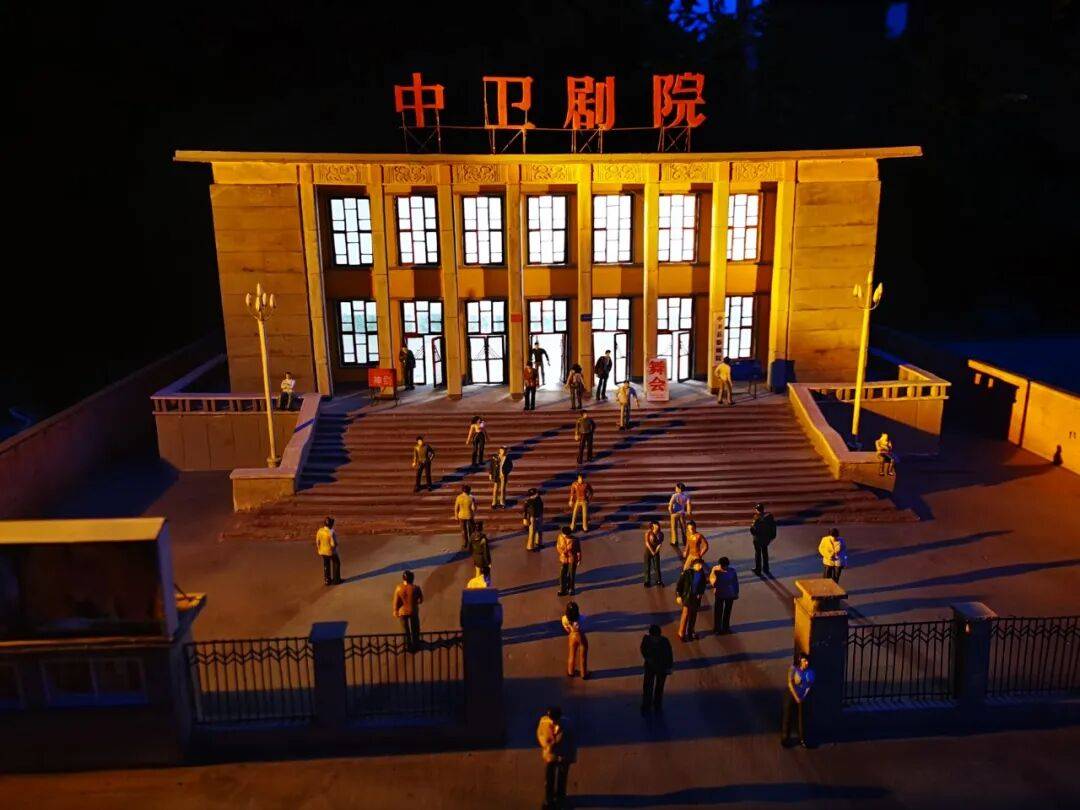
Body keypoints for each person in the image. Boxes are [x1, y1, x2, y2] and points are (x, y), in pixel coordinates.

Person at [537, 706, 575, 809]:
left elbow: (571, 742)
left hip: (564, 754)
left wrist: (570, 756)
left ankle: (560, 797)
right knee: (549, 777)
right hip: (550, 754)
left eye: (555, 719)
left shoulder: (567, 724)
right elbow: (540, 734)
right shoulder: (544, 721)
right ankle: (549, 798)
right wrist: (547, 745)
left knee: (562, 777)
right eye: (552, 719)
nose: (553, 721)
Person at [781, 653, 815, 748]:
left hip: (802, 695)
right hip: (792, 693)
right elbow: (790, 684)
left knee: (802, 717)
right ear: (800, 661)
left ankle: (803, 738)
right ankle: (785, 737)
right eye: (804, 661)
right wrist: (796, 697)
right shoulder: (793, 669)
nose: (806, 663)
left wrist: (803, 696)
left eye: (807, 661)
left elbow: (808, 686)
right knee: (788, 713)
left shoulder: (810, 672)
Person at [640, 624, 674, 713]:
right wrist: (647, 658)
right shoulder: (647, 640)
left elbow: (669, 655)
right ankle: (646, 704)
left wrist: (669, 667)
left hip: (662, 668)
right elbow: (643, 650)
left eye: (656, 637)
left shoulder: (664, 642)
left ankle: (657, 704)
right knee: (647, 686)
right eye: (653, 637)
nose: (655, 639)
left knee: (659, 687)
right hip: (650, 667)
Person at [675, 558, 708, 642]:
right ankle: (681, 633)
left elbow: (703, 584)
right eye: (698, 565)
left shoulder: (702, 574)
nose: (700, 566)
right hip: (687, 597)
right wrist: (678, 596)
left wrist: (701, 593)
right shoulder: (687, 573)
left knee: (693, 615)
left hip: (696, 598)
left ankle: (690, 632)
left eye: (701, 565)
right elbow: (679, 585)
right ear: (694, 565)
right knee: (685, 615)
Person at [392, 570, 423, 652]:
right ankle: (416, 644)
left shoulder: (399, 588)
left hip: (402, 612)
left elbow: (395, 601)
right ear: (412, 578)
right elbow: (421, 600)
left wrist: (395, 610)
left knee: (405, 630)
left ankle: (407, 646)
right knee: (415, 628)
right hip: (413, 611)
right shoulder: (416, 588)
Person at [709, 556, 739, 634]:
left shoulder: (732, 571)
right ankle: (717, 628)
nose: (723, 567)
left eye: (724, 566)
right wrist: (715, 583)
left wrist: (736, 592)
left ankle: (726, 627)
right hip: (720, 593)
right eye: (722, 566)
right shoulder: (716, 570)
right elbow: (712, 579)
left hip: (729, 594)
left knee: (727, 611)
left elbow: (735, 582)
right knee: (718, 611)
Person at [562, 601, 589, 679]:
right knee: (583, 656)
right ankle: (584, 674)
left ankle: (571, 671)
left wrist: (571, 632)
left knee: (572, 654)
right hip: (580, 636)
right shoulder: (582, 618)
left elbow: (567, 629)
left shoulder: (564, 619)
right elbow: (585, 625)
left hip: (572, 635)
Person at [750, 502, 777, 577]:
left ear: (757, 510)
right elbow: (773, 526)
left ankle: (758, 570)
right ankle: (766, 569)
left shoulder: (756, 518)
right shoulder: (769, 516)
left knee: (758, 554)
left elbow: (753, 529)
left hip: (758, 539)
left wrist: (753, 533)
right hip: (766, 538)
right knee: (765, 552)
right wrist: (772, 536)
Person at [314, 516, 341, 585]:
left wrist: (319, 549)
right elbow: (333, 544)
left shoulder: (320, 530)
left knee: (326, 564)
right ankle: (336, 580)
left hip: (322, 551)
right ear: (331, 524)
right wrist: (334, 548)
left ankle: (327, 580)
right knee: (337, 563)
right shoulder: (331, 532)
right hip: (330, 551)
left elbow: (317, 541)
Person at [556, 526, 582, 596]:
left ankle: (571, 588)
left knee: (571, 574)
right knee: (562, 574)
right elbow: (558, 546)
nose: (564, 536)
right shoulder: (560, 537)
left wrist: (579, 559)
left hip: (572, 558)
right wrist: (562, 552)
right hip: (563, 558)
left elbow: (578, 550)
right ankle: (562, 589)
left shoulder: (575, 540)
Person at [667, 482, 692, 549]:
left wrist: (671, 512)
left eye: (676, 487)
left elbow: (670, 505)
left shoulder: (674, 496)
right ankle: (685, 540)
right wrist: (689, 512)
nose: (675, 488)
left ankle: (674, 541)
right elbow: (688, 504)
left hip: (675, 513)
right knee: (683, 527)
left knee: (674, 527)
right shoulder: (686, 496)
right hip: (682, 513)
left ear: (678, 489)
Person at [453, 484, 477, 551]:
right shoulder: (471, 498)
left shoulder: (459, 497)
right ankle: (471, 542)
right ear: (469, 490)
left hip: (461, 515)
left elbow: (456, 508)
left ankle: (464, 543)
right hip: (469, 515)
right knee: (471, 530)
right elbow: (473, 508)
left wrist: (456, 515)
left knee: (463, 530)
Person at [643, 520, 664, 587]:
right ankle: (647, 581)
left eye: (657, 524)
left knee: (657, 566)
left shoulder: (661, 534)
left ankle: (658, 580)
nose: (657, 526)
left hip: (656, 551)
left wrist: (656, 551)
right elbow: (647, 543)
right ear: (652, 526)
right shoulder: (648, 533)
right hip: (648, 551)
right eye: (655, 525)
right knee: (647, 566)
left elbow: (660, 543)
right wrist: (651, 551)